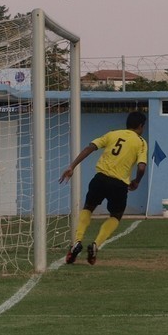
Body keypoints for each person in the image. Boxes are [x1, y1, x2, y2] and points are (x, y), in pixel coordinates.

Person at [60, 111, 148, 265]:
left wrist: (72, 166)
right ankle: (96, 244)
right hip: (119, 185)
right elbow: (141, 168)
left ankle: (77, 241)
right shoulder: (141, 142)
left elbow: (90, 147)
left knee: (88, 208)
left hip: (100, 179)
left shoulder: (113, 134)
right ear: (141, 126)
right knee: (116, 215)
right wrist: (137, 181)